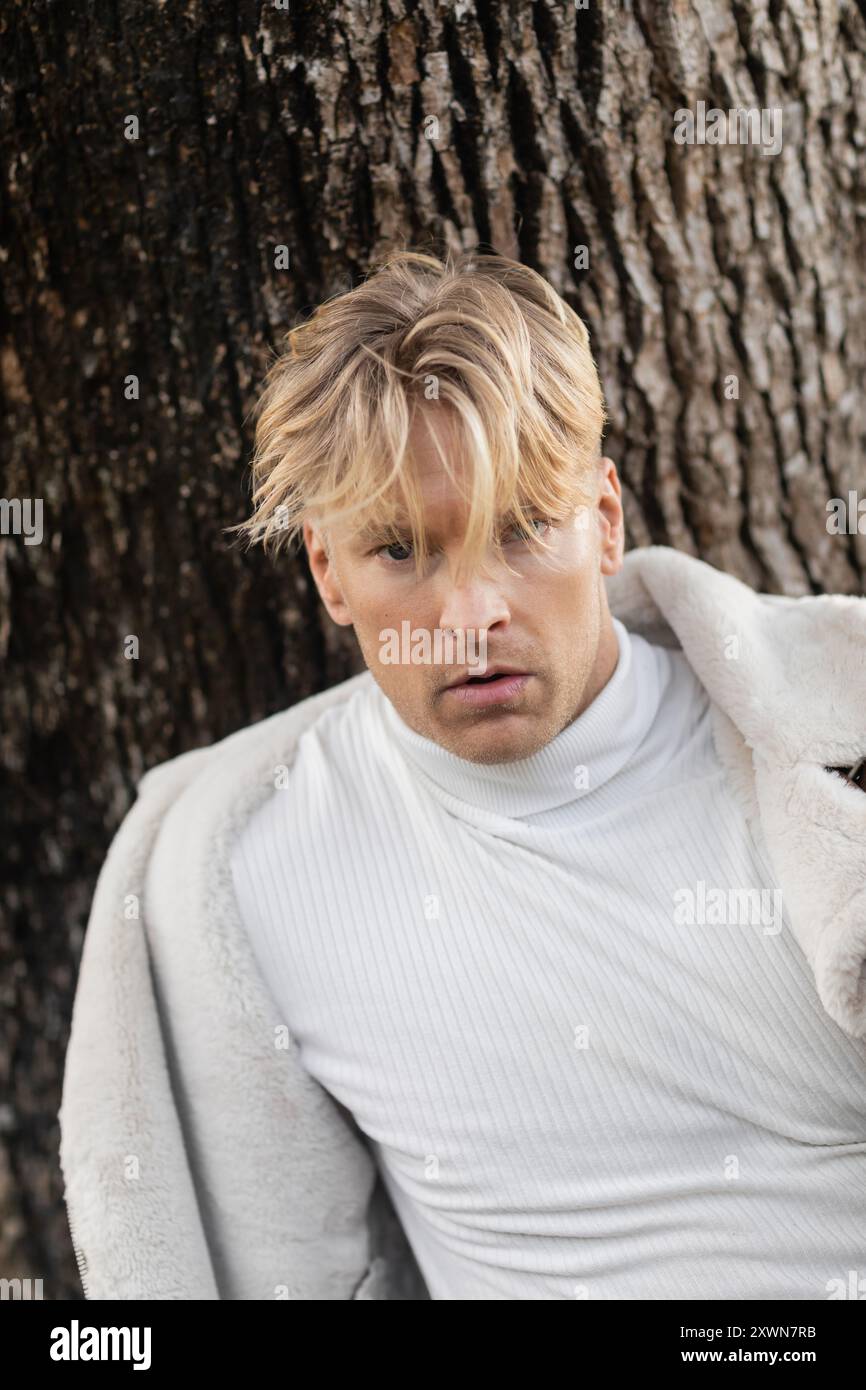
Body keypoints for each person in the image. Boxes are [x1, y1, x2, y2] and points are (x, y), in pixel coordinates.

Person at [60, 249, 866, 1301]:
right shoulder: (235, 871)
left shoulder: (825, 768)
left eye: (523, 528)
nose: (469, 616)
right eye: (400, 550)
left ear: (604, 520)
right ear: (325, 570)